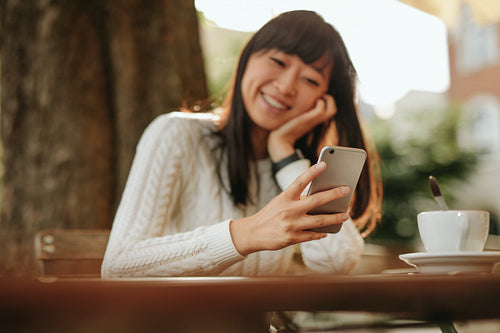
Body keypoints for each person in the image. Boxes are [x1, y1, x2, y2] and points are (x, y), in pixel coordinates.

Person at [101, 10, 383, 278]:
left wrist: (284, 154)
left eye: (310, 79)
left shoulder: (295, 167)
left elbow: (338, 261)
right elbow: (118, 266)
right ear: (247, 58)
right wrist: (246, 235)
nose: (286, 87)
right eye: (278, 62)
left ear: (324, 100)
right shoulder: (176, 134)